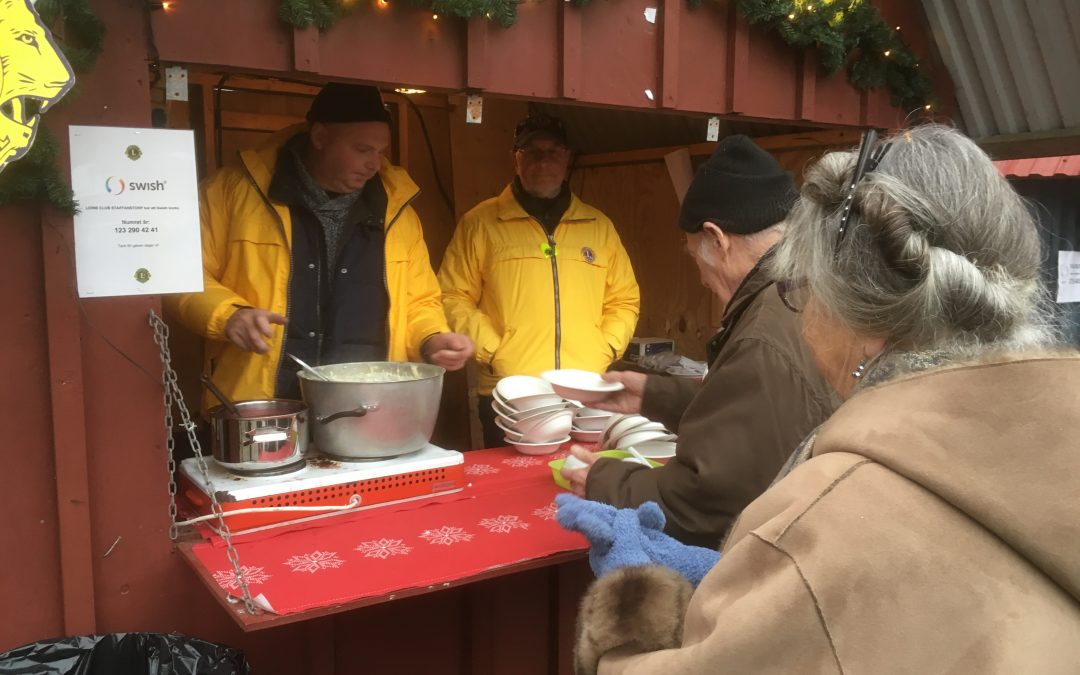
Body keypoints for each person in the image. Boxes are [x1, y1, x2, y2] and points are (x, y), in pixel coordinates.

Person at [569, 125, 1079, 674]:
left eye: (801, 287)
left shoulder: (833, 519)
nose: (800, 313)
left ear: (853, 313)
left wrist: (625, 618)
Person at [561, 135, 838, 548]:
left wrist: (602, 479)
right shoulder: (808, 289)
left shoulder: (766, 333)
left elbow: (704, 504)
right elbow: (760, 415)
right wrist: (656, 395)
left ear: (718, 238)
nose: (702, 277)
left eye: (694, 257)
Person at [168, 83, 473, 413]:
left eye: (380, 151)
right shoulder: (229, 194)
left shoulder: (399, 212)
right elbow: (180, 275)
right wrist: (229, 314)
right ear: (320, 137)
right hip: (262, 408)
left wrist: (432, 338)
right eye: (362, 149)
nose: (374, 163)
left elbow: (420, 302)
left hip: (367, 408)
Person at [438, 114, 640, 448]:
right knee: (512, 490)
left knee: (583, 482)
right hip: (513, 390)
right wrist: (495, 352)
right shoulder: (481, 223)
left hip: (586, 389)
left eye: (553, 151)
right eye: (531, 151)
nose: (543, 161)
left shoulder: (598, 226)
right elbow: (452, 295)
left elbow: (624, 300)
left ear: (567, 158)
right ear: (515, 159)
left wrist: (604, 348)